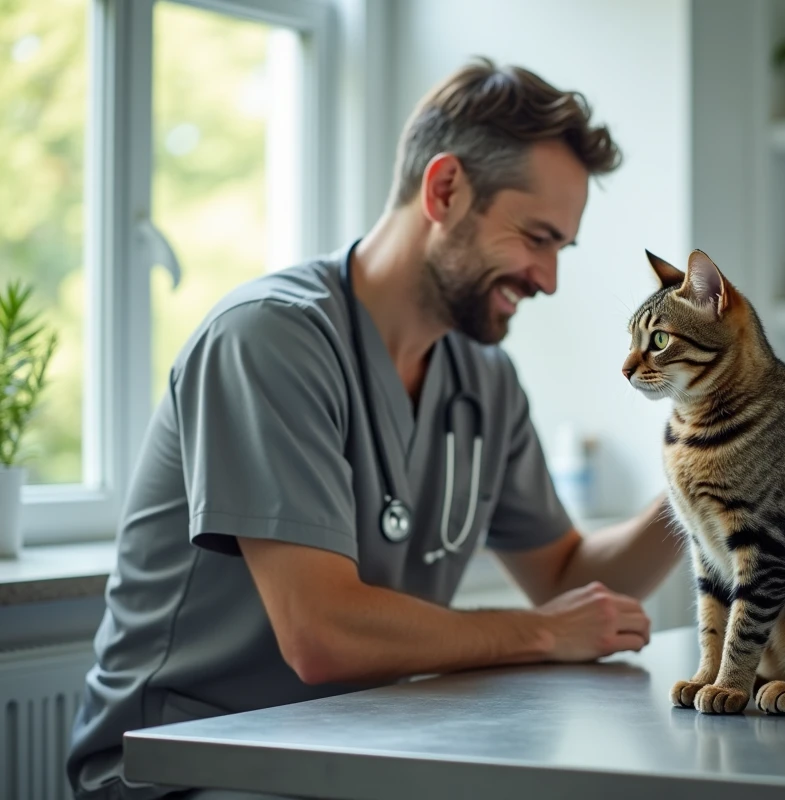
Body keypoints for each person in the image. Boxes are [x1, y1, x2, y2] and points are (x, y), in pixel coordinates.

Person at [67, 58, 682, 800]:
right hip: (180, 771)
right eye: (537, 238)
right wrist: (541, 633)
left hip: (350, 751)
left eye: (560, 250)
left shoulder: (482, 379)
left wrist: (714, 467)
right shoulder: (267, 340)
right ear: (445, 189)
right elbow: (323, 635)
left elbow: (564, 577)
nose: (547, 279)